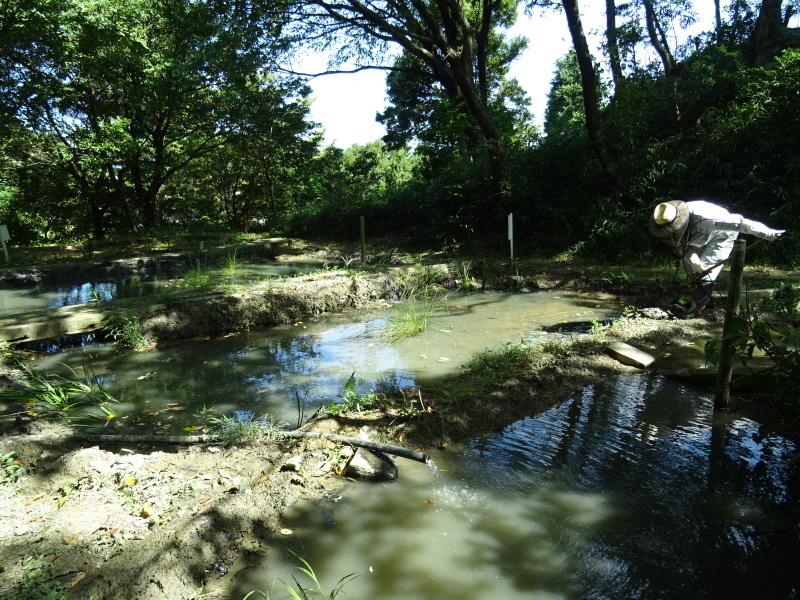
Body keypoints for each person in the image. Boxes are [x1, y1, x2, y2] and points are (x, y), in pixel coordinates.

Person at [649, 200, 785, 314]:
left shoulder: (707, 218)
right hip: (697, 238)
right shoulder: (664, 217)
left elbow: (741, 223)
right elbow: (680, 248)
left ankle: (696, 309)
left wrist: (768, 233)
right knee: (688, 263)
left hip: (721, 236)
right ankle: (706, 298)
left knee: (706, 271)